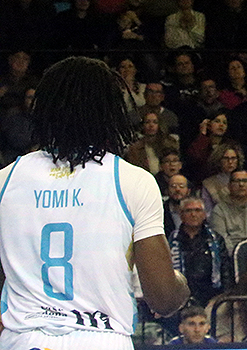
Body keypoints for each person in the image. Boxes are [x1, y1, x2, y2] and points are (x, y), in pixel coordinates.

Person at [0, 56, 189, 349]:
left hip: (24, 338)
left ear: (44, 107)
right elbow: (163, 299)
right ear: (111, 111)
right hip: (101, 338)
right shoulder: (132, 181)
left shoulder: (6, 179)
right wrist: (180, 284)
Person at [169, 196, 232, 307]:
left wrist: (222, 298)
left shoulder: (216, 239)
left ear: (204, 214)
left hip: (211, 298)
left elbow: (225, 270)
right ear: (181, 215)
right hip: (178, 297)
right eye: (188, 211)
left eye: (197, 210)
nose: (193, 214)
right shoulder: (171, 240)